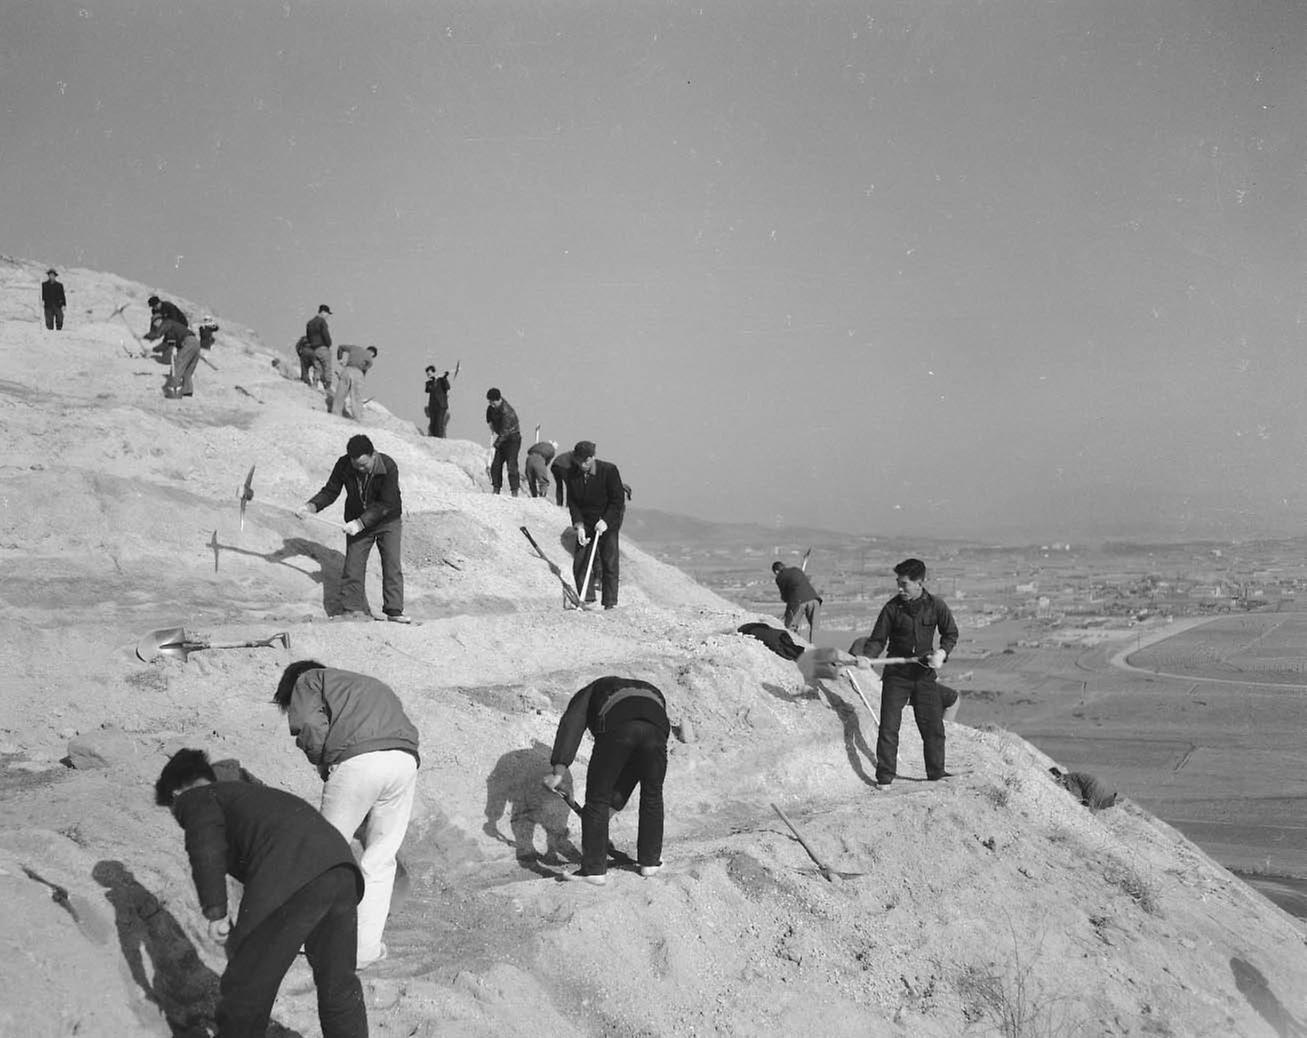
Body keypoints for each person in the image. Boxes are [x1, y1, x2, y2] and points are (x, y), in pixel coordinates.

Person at [154, 748, 368, 1038]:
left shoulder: (198, 798)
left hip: (294, 872)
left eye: (172, 809)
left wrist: (216, 912)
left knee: (246, 985)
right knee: (339, 984)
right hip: (341, 870)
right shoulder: (248, 798)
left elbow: (206, 849)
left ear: (178, 792)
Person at [274, 660, 420, 968]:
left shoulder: (307, 679)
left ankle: (301, 937)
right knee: (379, 861)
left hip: (358, 762)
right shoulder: (366, 684)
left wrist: (324, 765)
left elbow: (310, 726)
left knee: (322, 856)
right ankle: (363, 952)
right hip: (405, 762)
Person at [542, 676, 669, 885]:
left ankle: (593, 870)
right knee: (652, 794)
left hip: (618, 728)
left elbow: (572, 724)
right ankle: (650, 863)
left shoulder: (593, 689)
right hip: (657, 733)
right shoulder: (652, 689)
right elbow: (632, 770)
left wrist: (558, 770)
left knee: (597, 799)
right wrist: (613, 806)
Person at [853, 558, 959, 788]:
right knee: (889, 727)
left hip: (924, 675)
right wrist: (868, 657)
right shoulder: (892, 608)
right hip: (896, 677)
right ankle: (884, 777)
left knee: (932, 727)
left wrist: (942, 652)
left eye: (905, 584)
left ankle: (936, 774)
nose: (900, 589)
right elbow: (878, 639)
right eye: (898, 584)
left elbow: (950, 633)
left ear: (920, 583)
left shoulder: (936, 606)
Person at [297, 433, 409, 623]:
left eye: (364, 465)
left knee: (391, 564)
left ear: (373, 455)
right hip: (357, 522)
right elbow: (331, 491)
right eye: (356, 465)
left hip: (387, 520)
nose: (360, 469)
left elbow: (386, 503)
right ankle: (352, 609)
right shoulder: (344, 464)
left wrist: (361, 523)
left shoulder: (388, 466)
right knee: (353, 565)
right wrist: (311, 506)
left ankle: (394, 611)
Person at [565, 441, 625, 609]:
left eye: (586, 461)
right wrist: (579, 526)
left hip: (607, 521)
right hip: (587, 522)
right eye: (579, 461)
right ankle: (588, 599)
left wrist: (605, 521)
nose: (582, 465)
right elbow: (573, 502)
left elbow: (617, 500)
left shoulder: (609, 471)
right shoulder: (571, 474)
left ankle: (610, 602)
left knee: (609, 561)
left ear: (592, 457)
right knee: (580, 561)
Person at [145, 312, 201, 397]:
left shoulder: (167, 323)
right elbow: (166, 344)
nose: (156, 326)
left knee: (177, 367)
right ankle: (187, 392)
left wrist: (144, 337)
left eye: (155, 324)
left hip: (188, 343)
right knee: (187, 370)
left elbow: (157, 334)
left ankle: (173, 394)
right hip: (196, 344)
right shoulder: (171, 330)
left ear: (158, 321)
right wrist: (152, 350)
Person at [771, 561, 822, 641]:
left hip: (798, 602)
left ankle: (794, 645)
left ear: (776, 571)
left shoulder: (780, 577)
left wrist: (786, 607)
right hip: (814, 600)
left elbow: (785, 595)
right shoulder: (796, 570)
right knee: (815, 627)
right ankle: (814, 649)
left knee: (790, 627)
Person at [484, 387, 522, 496]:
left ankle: (514, 491)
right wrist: (490, 423)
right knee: (496, 464)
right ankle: (496, 489)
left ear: (497, 399)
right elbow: (490, 419)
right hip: (502, 438)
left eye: (492, 402)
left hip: (512, 439)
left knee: (511, 465)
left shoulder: (507, 412)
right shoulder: (492, 408)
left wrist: (495, 445)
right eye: (489, 402)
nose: (491, 404)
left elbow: (505, 432)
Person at [332, 345, 377, 420]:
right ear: (372, 353)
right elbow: (366, 369)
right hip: (358, 373)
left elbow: (340, 347)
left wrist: (340, 359)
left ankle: (335, 413)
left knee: (340, 392)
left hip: (346, 370)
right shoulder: (369, 357)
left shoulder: (355, 348)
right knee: (356, 396)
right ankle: (357, 418)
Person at [306, 304, 334, 395]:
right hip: (323, 348)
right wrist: (329, 344)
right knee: (327, 368)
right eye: (327, 314)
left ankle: (314, 385)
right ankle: (328, 389)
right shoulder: (322, 322)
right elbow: (326, 335)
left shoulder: (310, 322)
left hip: (314, 349)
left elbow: (308, 337)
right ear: (323, 312)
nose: (328, 316)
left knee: (317, 368)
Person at [424, 367, 452, 437]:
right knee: (432, 424)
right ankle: (433, 439)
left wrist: (445, 378)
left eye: (429, 373)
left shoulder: (441, 380)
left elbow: (448, 387)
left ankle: (440, 439)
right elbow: (428, 390)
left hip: (441, 405)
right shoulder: (429, 382)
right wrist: (433, 382)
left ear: (433, 372)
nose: (428, 375)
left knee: (439, 424)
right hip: (432, 406)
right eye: (427, 373)